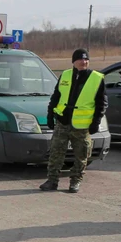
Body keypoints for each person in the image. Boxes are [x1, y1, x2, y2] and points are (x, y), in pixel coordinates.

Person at [40, 48, 107, 194]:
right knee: (56, 153)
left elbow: (101, 103)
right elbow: (56, 97)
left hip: (82, 126)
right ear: (74, 62)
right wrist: (50, 115)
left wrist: (96, 122)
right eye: (80, 59)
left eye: (86, 59)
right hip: (63, 122)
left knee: (81, 155)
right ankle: (52, 181)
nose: (84, 62)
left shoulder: (96, 78)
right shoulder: (65, 75)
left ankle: (75, 181)